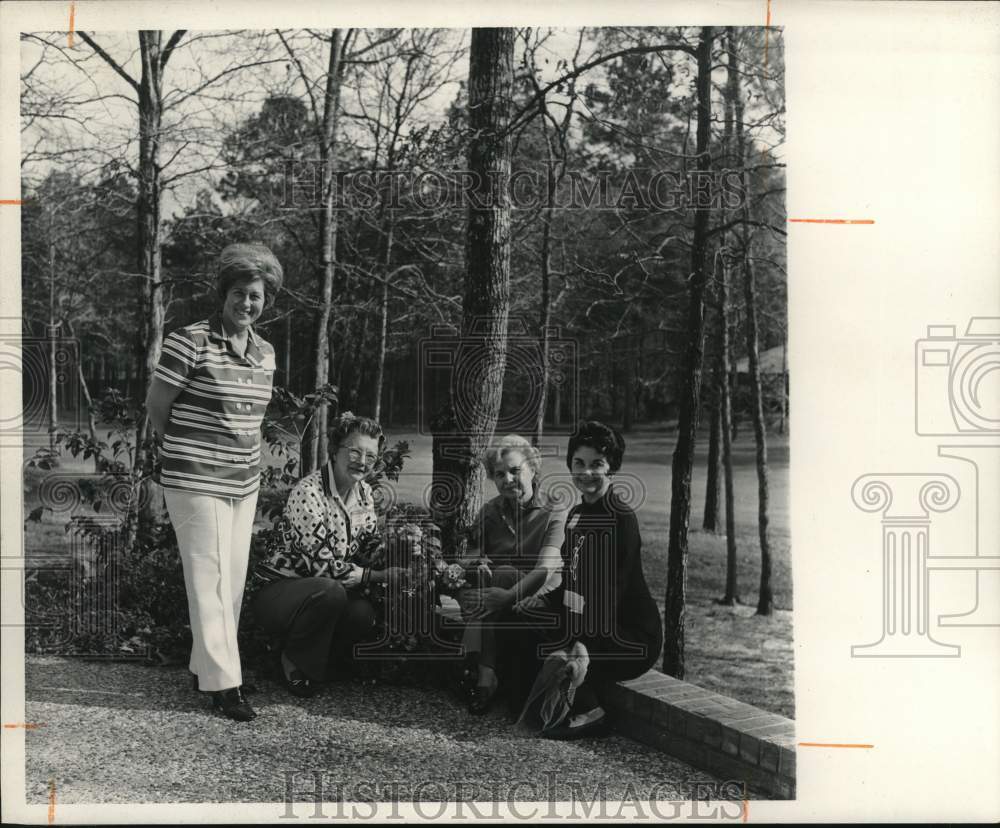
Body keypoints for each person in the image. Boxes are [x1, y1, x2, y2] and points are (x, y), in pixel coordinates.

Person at [146, 242, 283, 722]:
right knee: (208, 579)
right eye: (240, 294)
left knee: (233, 581)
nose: (247, 304)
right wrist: (184, 453)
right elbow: (157, 407)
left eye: (256, 296)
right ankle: (226, 686)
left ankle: (204, 664)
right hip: (193, 477)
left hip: (243, 482)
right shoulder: (190, 340)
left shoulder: (265, 353)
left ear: (266, 302)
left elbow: (255, 420)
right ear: (223, 294)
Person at [503, 421, 663, 739]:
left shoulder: (621, 518)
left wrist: (583, 642)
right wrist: (545, 599)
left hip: (627, 634)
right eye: (579, 463)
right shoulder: (577, 514)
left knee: (558, 649)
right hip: (587, 619)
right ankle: (525, 704)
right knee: (517, 623)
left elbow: (610, 593)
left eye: (596, 465)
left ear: (612, 467)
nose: (586, 473)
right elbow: (575, 579)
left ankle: (591, 713)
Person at [252, 413, 404, 698]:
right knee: (331, 591)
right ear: (334, 450)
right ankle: (290, 661)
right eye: (355, 451)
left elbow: (368, 542)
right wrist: (379, 575)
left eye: (370, 455)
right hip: (278, 592)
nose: (362, 461)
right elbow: (322, 566)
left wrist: (397, 554)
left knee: (362, 614)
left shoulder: (365, 494)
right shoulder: (308, 492)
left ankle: (319, 660)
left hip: (322, 590)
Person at [456, 434, 567, 715]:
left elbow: (545, 570)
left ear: (533, 468)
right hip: (501, 598)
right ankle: (481, 670)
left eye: (515, 471)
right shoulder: (490, 511)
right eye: (499, 474)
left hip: (540, 599)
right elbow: (468, 559)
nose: (507, 479)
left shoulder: (555, 509)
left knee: (503, 574)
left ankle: (482, 674)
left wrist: (506, 594)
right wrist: (476, 564)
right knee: (487, 577)